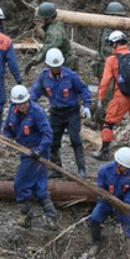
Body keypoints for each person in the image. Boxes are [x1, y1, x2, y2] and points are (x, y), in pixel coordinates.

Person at [30, 47, 92, 177]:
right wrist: (28, 104)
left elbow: (83, 89)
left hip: (72, 112)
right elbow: (35, 92)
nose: (56, 69)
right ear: (48, 65)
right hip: (56, 113)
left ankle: (82, 169)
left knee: (75, 139)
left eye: (58, 66)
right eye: (54, 67)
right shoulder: (44, 77)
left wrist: (87, 105)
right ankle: (57, 169)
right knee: (53, 141)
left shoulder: (71, 76)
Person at [3, 85, 57, 229]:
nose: (23, 106)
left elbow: (48, 134)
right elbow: (8, 129)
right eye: (19, 104)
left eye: (24, 102)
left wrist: (39, 150)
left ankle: (25, 214)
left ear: (28, 99)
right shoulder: (12, 111)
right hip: (24, 150)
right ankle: (51, 218)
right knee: (39, 185)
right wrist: (7, 139)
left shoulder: (37, 112)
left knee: (20, 183)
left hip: (37, 153)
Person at [95, 31, 130, 158]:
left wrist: (100, 98)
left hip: (121, 97)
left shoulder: (112, 60)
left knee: (109, 123)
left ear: (115, 44)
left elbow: (105, 81)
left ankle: (104, 151)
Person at [88, 147, 130, 257]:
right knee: (95, 218)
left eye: (129, 168)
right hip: (107, 201)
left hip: (122, 202)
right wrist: (104, 197)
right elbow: (100, 188)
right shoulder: (105, 170)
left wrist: (127, 201)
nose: (127, 170)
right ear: (118, 164)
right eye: (125, 167)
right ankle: (96, 243)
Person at [94, 1, 126, 123]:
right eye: (118, 16)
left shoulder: (113, 30)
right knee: (106, 93)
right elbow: (105, 50)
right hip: (106, 65)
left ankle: (102, 116)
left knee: (110, 93)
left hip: (111, 64)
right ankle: (101, 120)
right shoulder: (108, 31)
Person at [25, 2, 75, 74]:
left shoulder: (54, 32)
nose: (41, 20)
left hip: (65, 65)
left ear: (48, 18)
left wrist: (32, 62)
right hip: (61, 63)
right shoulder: (57, 24)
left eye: (42, 18)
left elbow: (47, 49)